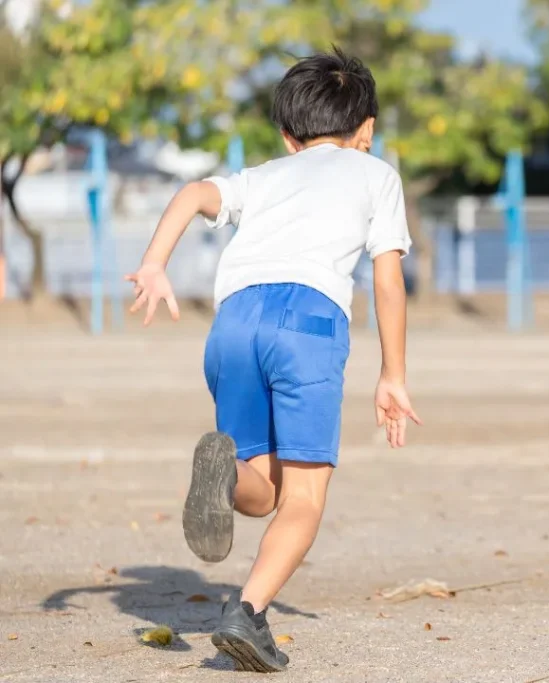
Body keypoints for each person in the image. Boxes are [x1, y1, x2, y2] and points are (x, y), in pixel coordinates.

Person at [124, 48, 421, 673]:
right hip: (307, 323)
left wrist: (155, 263)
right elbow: (388, 283)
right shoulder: (377, 175)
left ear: (288, 135)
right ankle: (248, 612)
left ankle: (224, 474)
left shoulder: (262, 176)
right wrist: (392, 373)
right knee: (305, 499)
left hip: (233, 325)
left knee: (261, 493)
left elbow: (193, 192)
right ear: (366, 129)